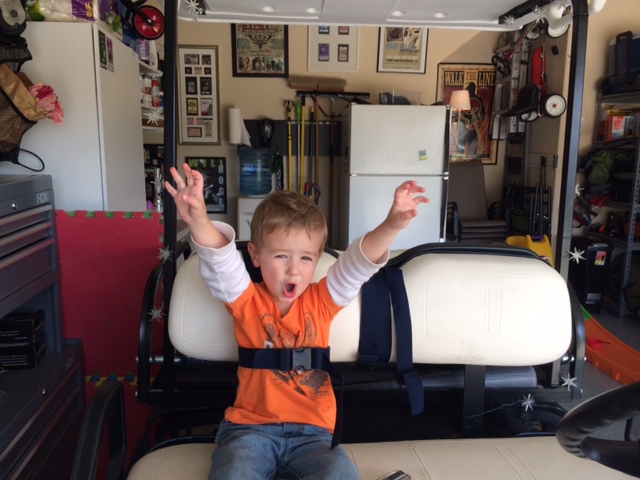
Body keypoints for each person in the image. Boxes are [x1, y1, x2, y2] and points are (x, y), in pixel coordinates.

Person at [165, 163, 429, 480]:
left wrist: (391, 225)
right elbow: (221, 262)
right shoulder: (245, 300)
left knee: (340, 473)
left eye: (305, 258)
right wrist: (199, 221)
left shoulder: (323, 301)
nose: (294, 270)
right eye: (281, 256)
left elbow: (358, 265)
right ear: (255, 255)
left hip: (314, 434)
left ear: (317, 260)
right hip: (250, 430)